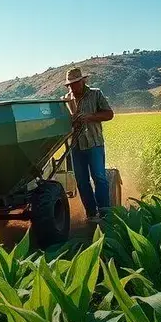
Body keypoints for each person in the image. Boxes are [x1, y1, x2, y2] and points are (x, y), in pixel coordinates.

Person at [64, 67, 114, 223]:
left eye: (75, 83)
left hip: (94, 143)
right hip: (76, 145)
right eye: (70, 85)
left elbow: (109, 114)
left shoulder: (95, 94)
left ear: (82, 81)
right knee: (81, 181)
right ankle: (91, 214)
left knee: (99, 177)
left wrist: (89, 117)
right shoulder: (66, 99)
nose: (72, 87)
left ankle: (105, 213)